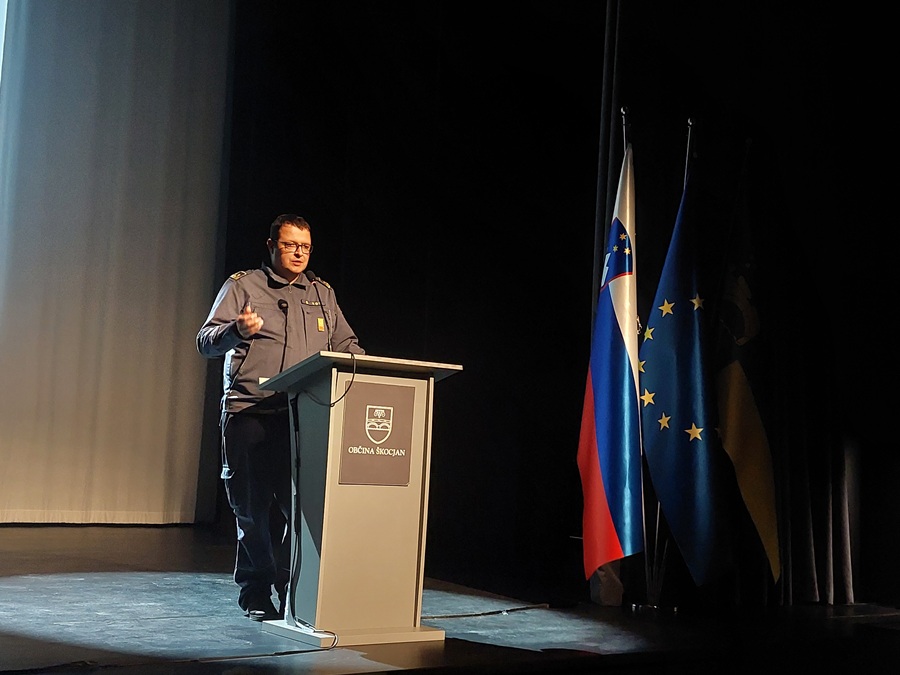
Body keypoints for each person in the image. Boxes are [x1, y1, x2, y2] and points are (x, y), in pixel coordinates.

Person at [196, 213, 364, 621]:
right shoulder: (243, 286)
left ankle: (293, 588)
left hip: (304, 418)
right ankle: (256, 590)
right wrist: (236, 330)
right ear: (272, 246)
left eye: (305, 247)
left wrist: (367, 367)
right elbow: (205, 341)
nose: (299, 253)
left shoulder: (322, 293)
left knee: (302, 511)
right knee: (251, 510)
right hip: (250, 413)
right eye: (290, 245)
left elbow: (347, 343)